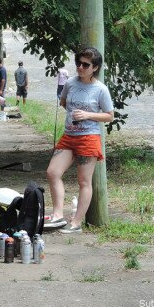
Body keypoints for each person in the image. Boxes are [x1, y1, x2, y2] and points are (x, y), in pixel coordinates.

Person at [45, 47, 114, 233]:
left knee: (84, 181)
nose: (80, 67)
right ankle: (58, 215)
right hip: (69, 136)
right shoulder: (71, 83)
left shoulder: (100, 89)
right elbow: (64, 102)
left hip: (89, 137)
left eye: (86, 65)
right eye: (78, 63)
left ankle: (75, 223)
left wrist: (87, 115)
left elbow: (109, 116)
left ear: (95, 67)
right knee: (53, 172)